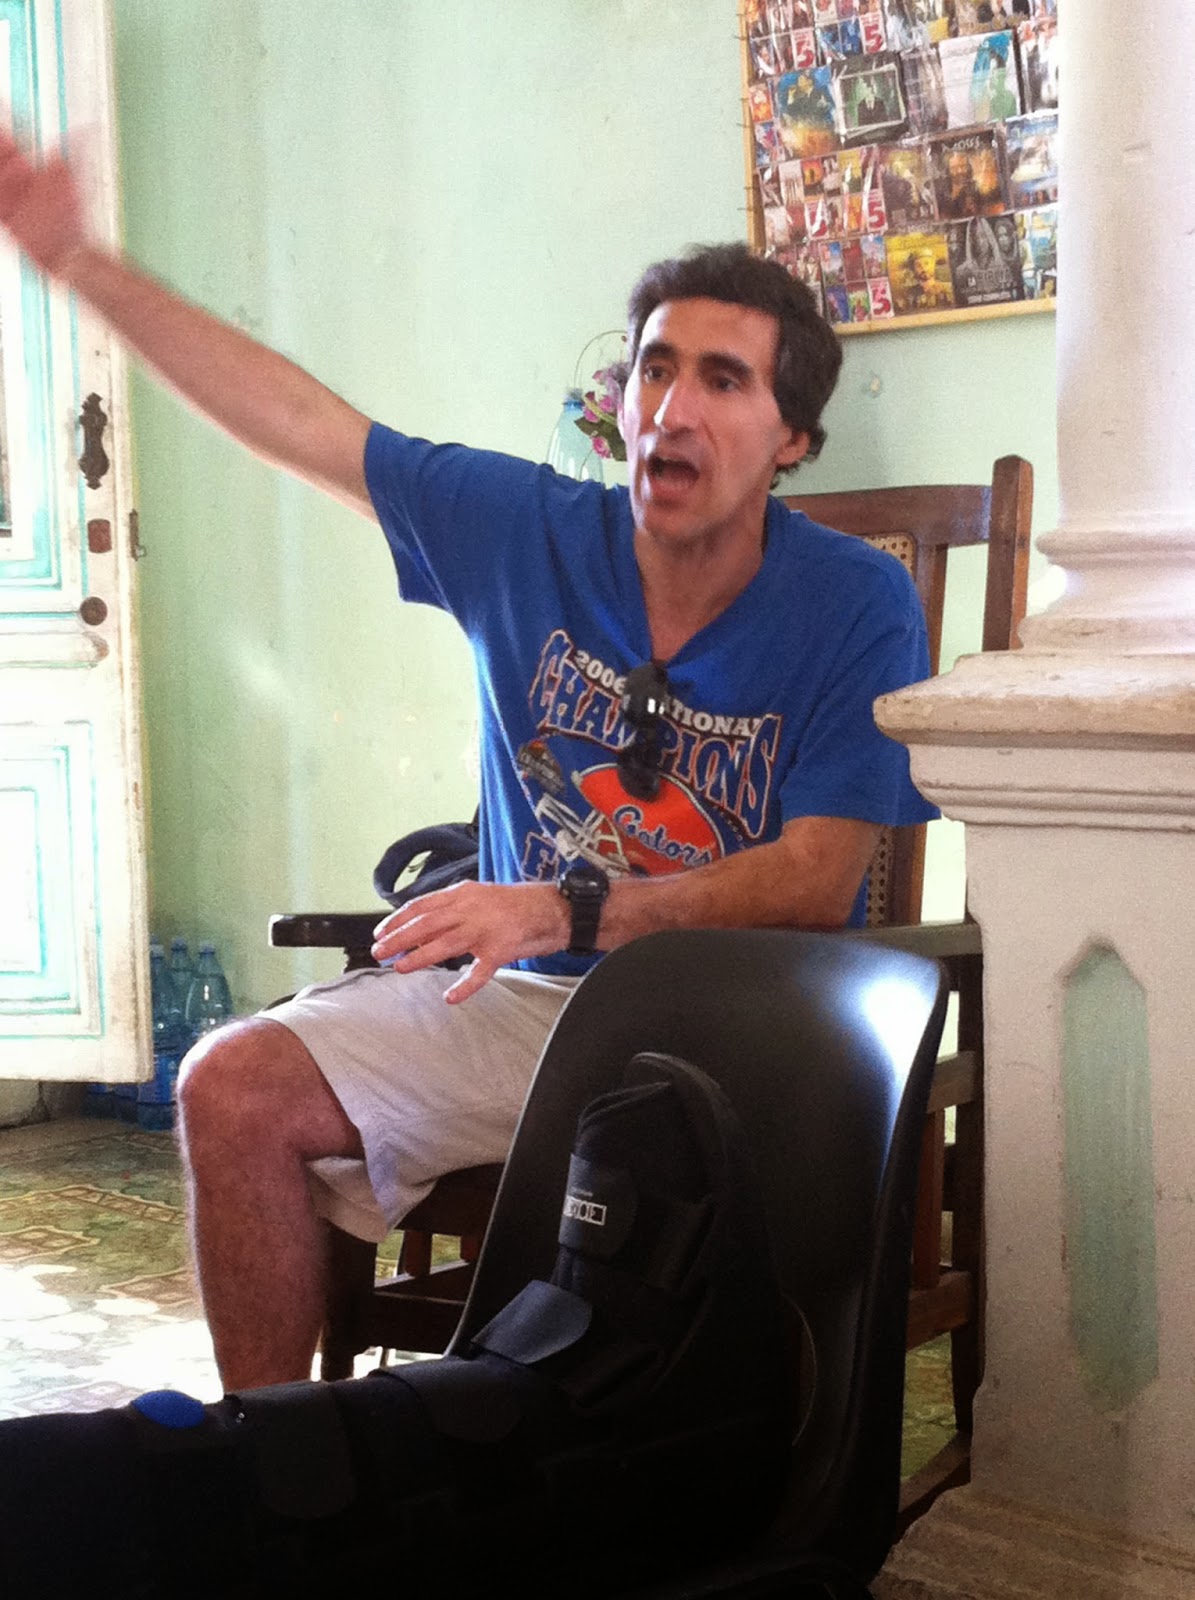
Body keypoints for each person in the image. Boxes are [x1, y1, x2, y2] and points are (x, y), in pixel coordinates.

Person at [0, 133, 936, 1390]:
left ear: (793, 440)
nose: (671, 407)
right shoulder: (522, 532)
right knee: (230, 1084)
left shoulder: (857, 601)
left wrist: (566, 906)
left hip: (747, 1026)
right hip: (526, 1008)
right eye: (654, 369)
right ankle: (277, 1462)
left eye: (723, 380)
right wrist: (76, 259)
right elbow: (300, 424)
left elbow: (818, 880)